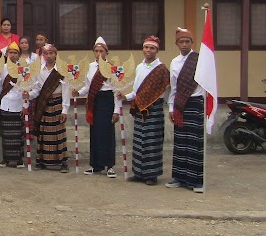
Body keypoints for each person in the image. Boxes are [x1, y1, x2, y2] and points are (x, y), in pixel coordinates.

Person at [119, 36, 170, 186]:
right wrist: (125, 96)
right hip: (140, 108)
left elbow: (165, 93)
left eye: (152, 48)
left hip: (154, 109)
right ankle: (139, 173)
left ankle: (151, 175)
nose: (148, 50)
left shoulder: (161, 70)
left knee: (152, 142)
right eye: (146, 47)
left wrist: (155, 102)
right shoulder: (139, 67)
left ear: (157, 50)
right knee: (139, 141)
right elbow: (136, 90)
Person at [74, 36, 121, 178]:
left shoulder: (112, 68)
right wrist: (79, 92)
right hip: (94, 100)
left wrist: (116, 110)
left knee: (107, 133)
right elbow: (88, 86)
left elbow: (116, 90)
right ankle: (96, 165)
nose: (99, 53)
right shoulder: (90, 67)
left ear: (106, 52)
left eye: (102, 51)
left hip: (107, 101)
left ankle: (109, 166)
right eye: (96, 51)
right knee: (95, 133)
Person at [167, 27, 205, 193]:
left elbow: (206, 84)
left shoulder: (200, 60)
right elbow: (173, 88)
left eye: (187, 41)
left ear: (192, 42)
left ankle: (196, 180)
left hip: (195, 103)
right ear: (176, 43)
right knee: (180, 142)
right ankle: (179, 177)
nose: (184, 44)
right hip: (180, 104)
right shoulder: (174, 62)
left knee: (194, 142)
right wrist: (171, 106)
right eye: (181, 42)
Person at [0, 42, 28, 168]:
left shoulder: (23, 68)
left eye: (15, 53)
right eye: (10, 52)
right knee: (6, 135)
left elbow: (26, 88)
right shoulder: (2, 68)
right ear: (6, 54)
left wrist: (25, 106)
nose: (12, 55)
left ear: (19, 55)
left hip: (18, 104)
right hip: (5, 104)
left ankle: (19, 160)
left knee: (18, 134)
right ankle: (5, 159)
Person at [34, 44, 70, 171]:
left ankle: (63, 163)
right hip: (44, 103)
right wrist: (28, 94)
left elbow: (66, 90)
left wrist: (65, 109)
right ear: (43, 55)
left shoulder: (62, 70)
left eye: (51, 53)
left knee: (58, 133)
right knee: (44, 133)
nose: (49, 56)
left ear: (56, 54)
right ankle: (42, 161)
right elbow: (37, 89)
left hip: (57, 104)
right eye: (46, 54)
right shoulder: (39, 70)